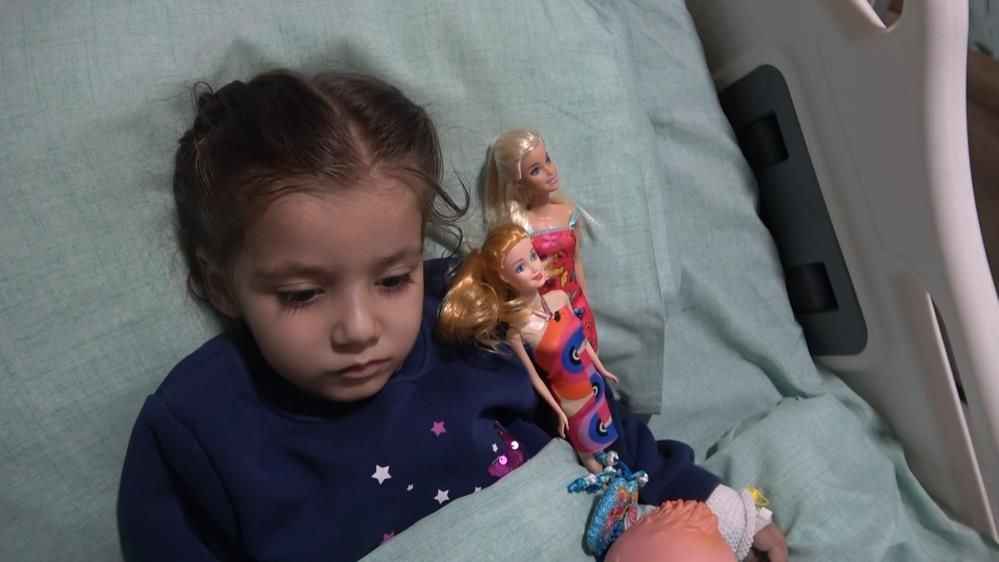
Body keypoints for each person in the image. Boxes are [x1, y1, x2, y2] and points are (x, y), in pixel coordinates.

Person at [116, 68, 786, 562]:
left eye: (392, 279)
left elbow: (594, 419)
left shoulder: (470, 316)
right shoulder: (198, 426)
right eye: (302, 295)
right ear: (220, 285)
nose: (359, 329)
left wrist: (705, 500)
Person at [438, 224, 787, 561]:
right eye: (521, 265)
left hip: (590, 398)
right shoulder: (513, 332)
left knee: (607, 450)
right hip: (570, 415)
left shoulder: (554, 300)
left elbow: (627, 443)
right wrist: (558, 409)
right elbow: (537, 380)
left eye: (533, 256)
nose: (534, 267)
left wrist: (722, 509)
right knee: (597, 458)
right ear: (503, 278)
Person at [484, 128, 600, 349]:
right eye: (535, 170)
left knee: (588, 356)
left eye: (547, 159)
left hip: (577, 305)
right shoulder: (520, 228)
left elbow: (576, 261)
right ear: (518, 183)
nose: (550, 170)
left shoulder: (569, 213)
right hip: (544, 314)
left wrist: (585, 302)